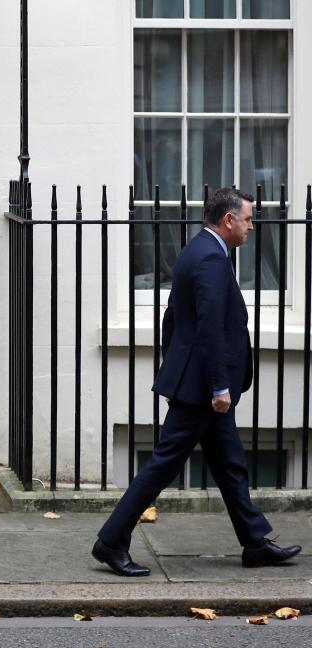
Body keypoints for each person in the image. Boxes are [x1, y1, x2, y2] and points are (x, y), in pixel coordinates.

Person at [92, 187, 302, 576]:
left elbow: (172, 319)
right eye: (248, 219)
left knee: (230, 463)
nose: (251, 227)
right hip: (204, 390)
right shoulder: (210, 259)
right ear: (228, 220)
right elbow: (209, 330)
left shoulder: (199, 251)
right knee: (162, 464)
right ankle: (111, 541)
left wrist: (177, 366)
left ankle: (255, 542)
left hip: (195, 381)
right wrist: (217, 387)